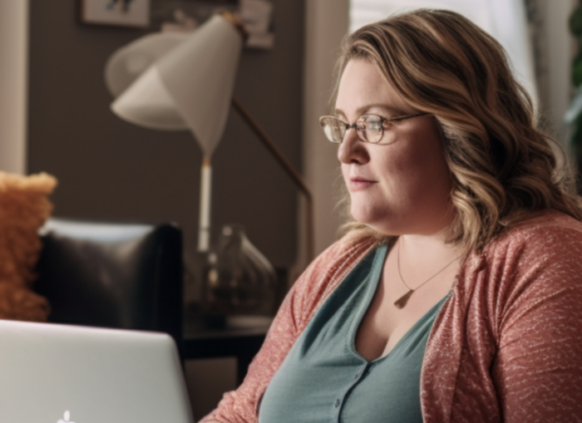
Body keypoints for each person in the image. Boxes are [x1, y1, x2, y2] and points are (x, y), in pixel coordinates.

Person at [200, 8, 582, 423]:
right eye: (343, 125)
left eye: (374, 122)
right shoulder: (340, 265)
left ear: (458, 128)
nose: (346, 152)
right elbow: (240, 413)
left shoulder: (548, 260)